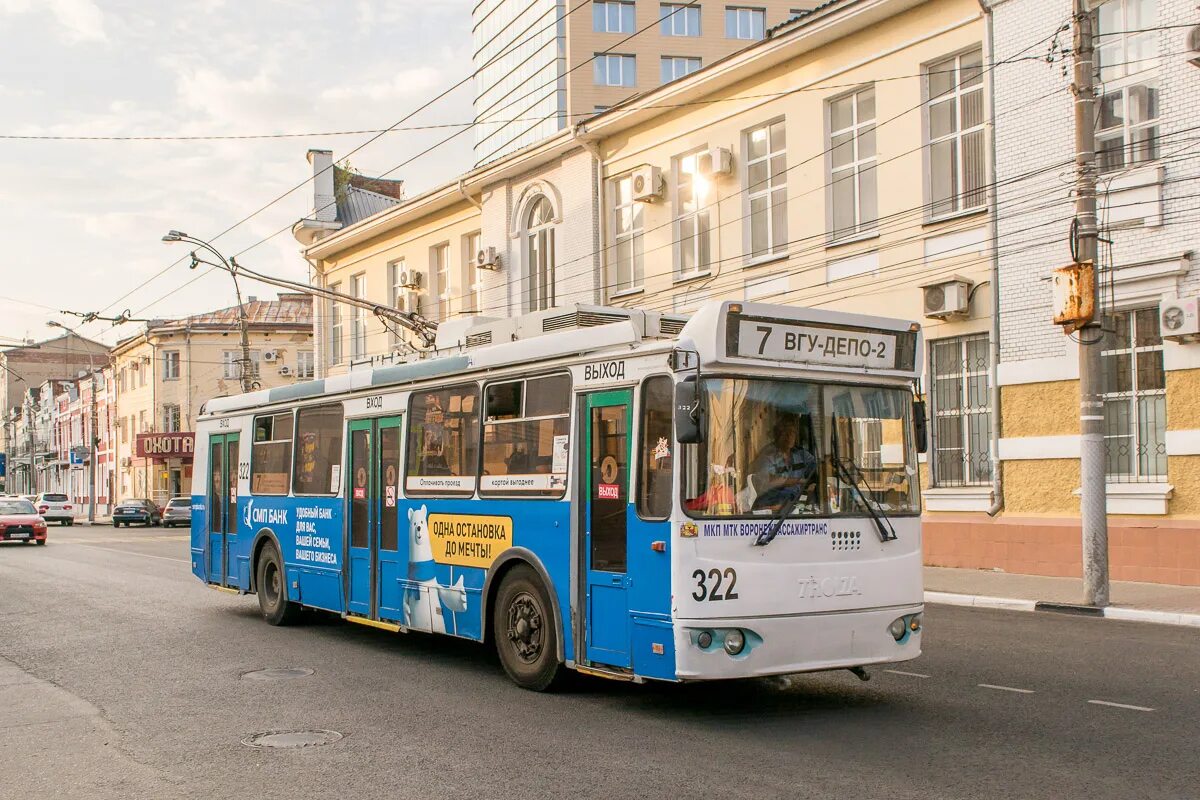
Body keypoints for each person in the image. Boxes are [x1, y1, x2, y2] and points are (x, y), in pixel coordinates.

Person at [748, 416, 818, 510]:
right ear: (778, 435)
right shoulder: (767, 455)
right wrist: (801, 481)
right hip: (772, 504)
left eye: (792, 433)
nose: (789, 437)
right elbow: (769, 480)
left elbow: (818, 468)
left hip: (796, 504)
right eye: (785, 433)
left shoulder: (801, 454)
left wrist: (814, 484)